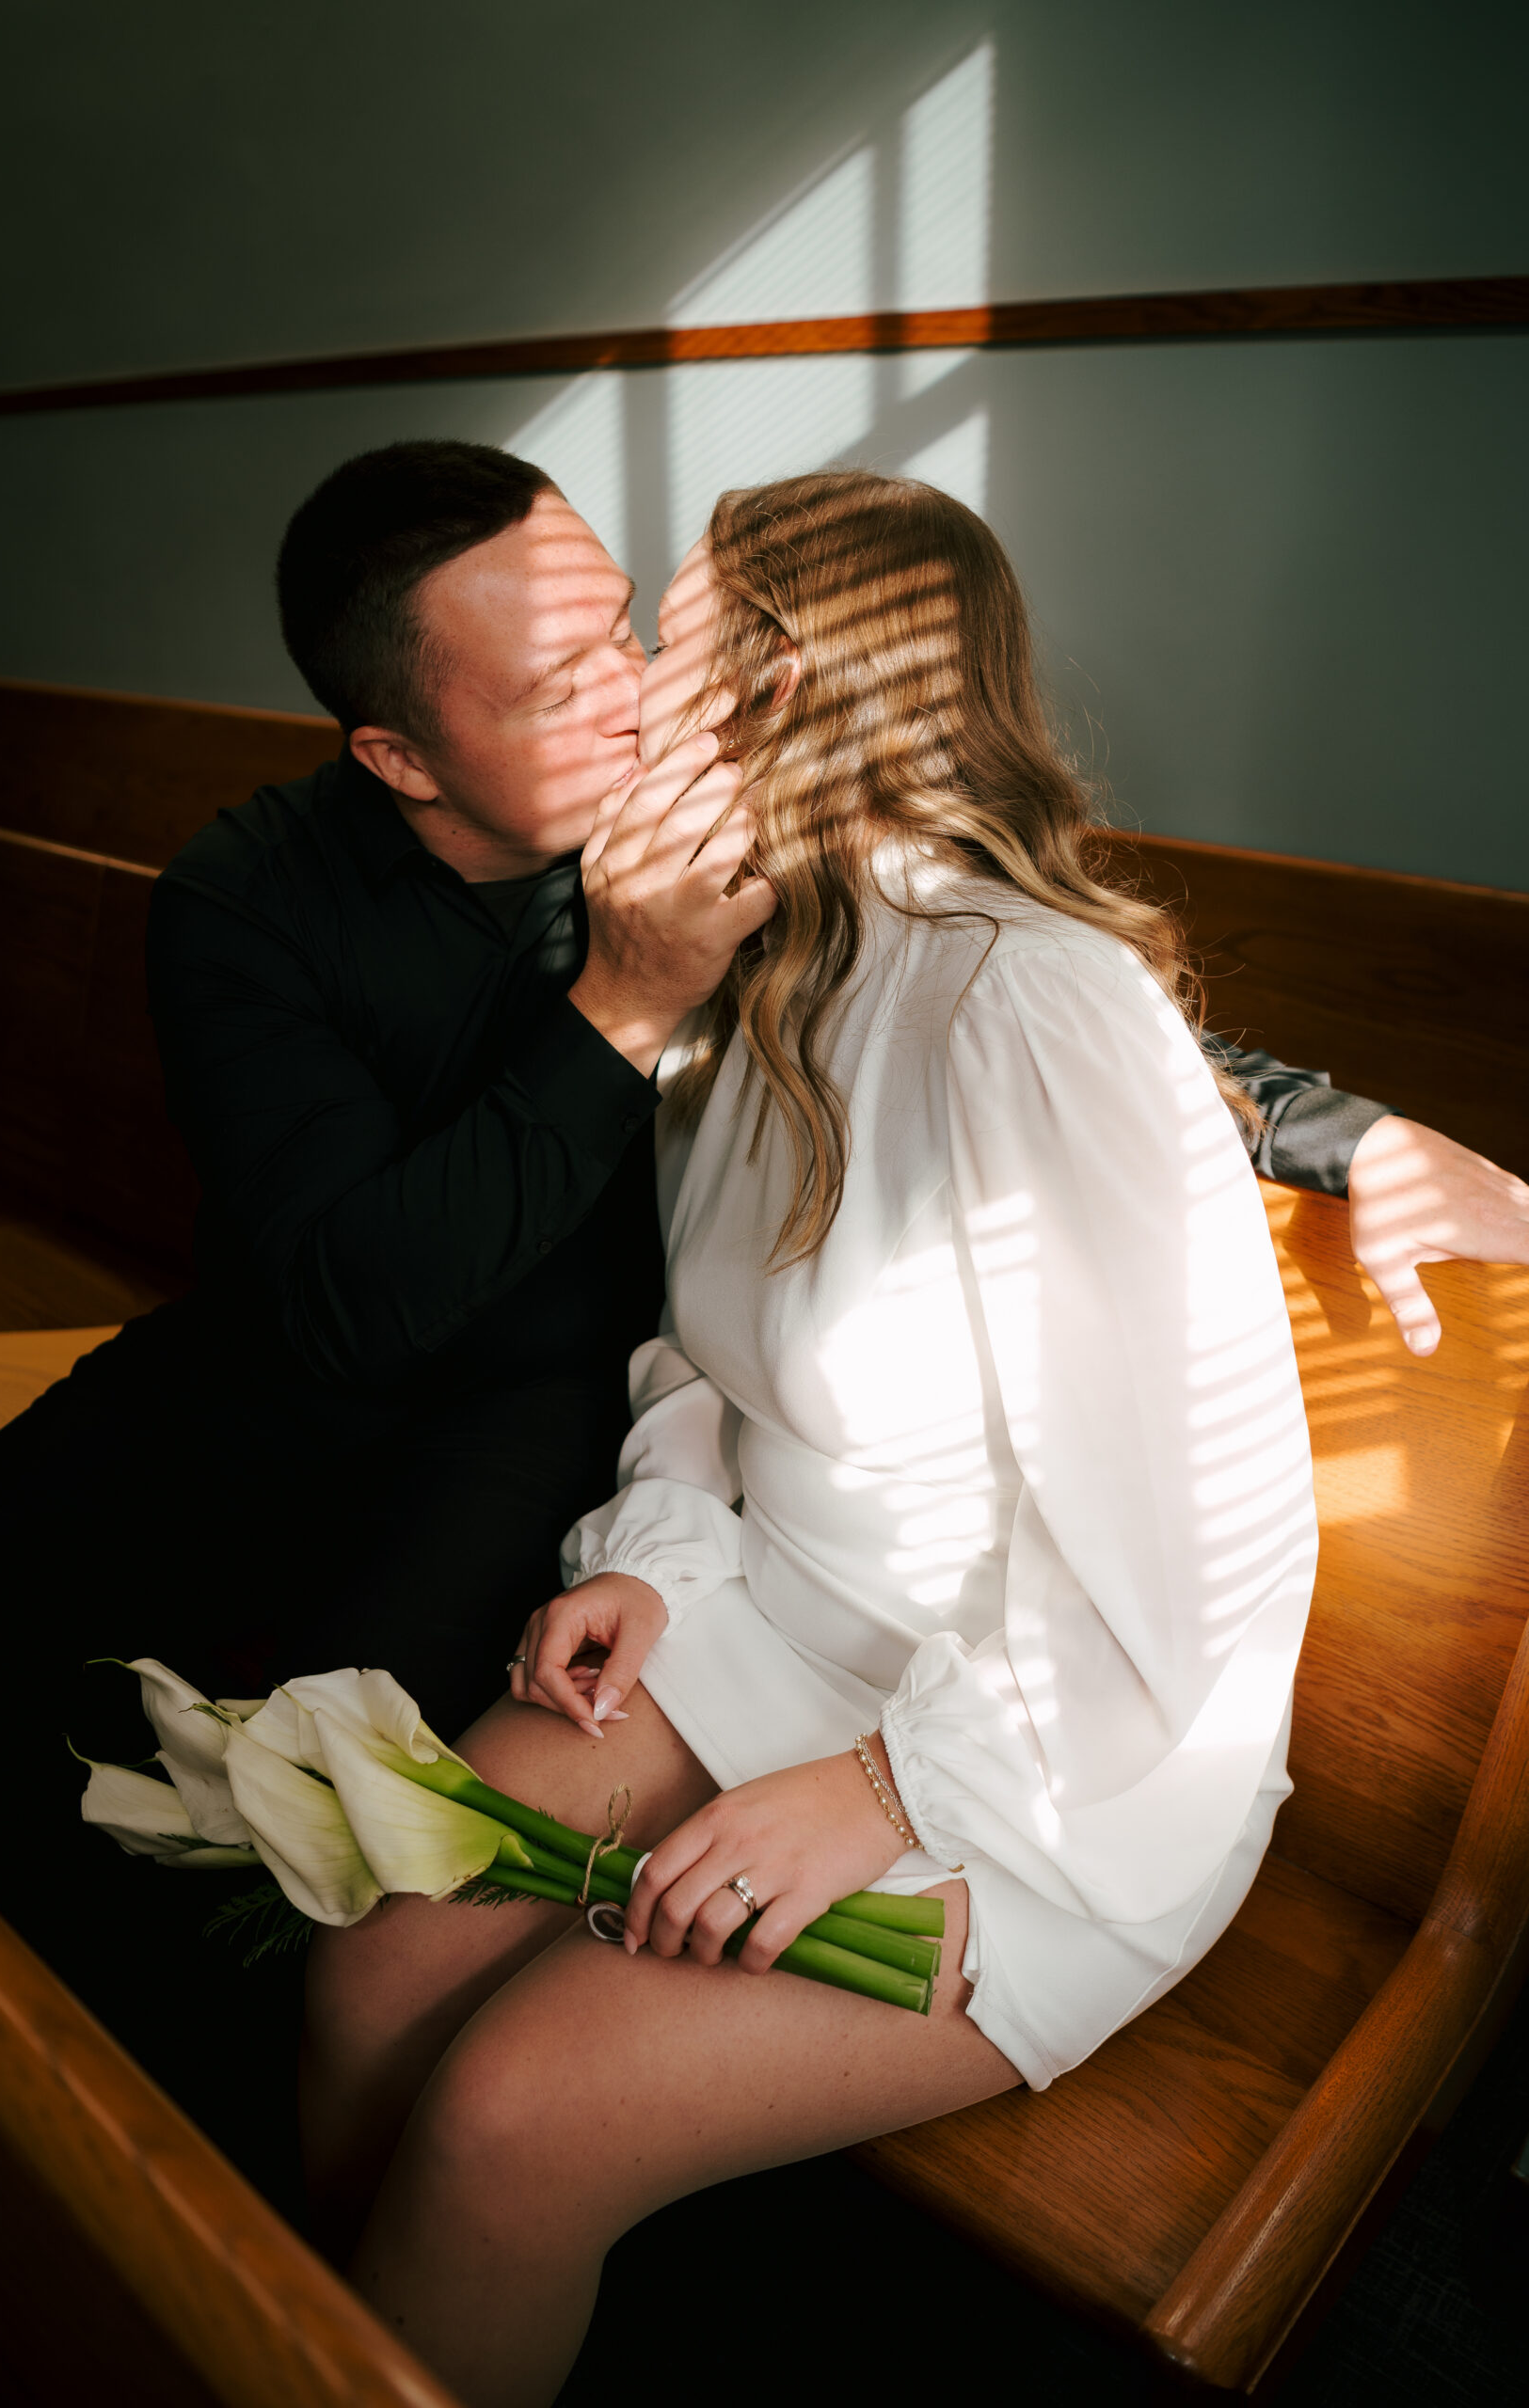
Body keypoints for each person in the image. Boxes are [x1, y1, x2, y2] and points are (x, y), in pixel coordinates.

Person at [291, 468, 1479, 2406]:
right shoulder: (763, 955)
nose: (644, 687)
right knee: (367, 1959)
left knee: (515, 2113)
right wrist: (658, 1563)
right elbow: (707, 1355)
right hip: (777, 1608)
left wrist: (891, 1789)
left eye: (680, 647)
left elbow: (1212, 1554)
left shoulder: (1043, 1001)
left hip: (1054, 1744)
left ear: (793, 686)